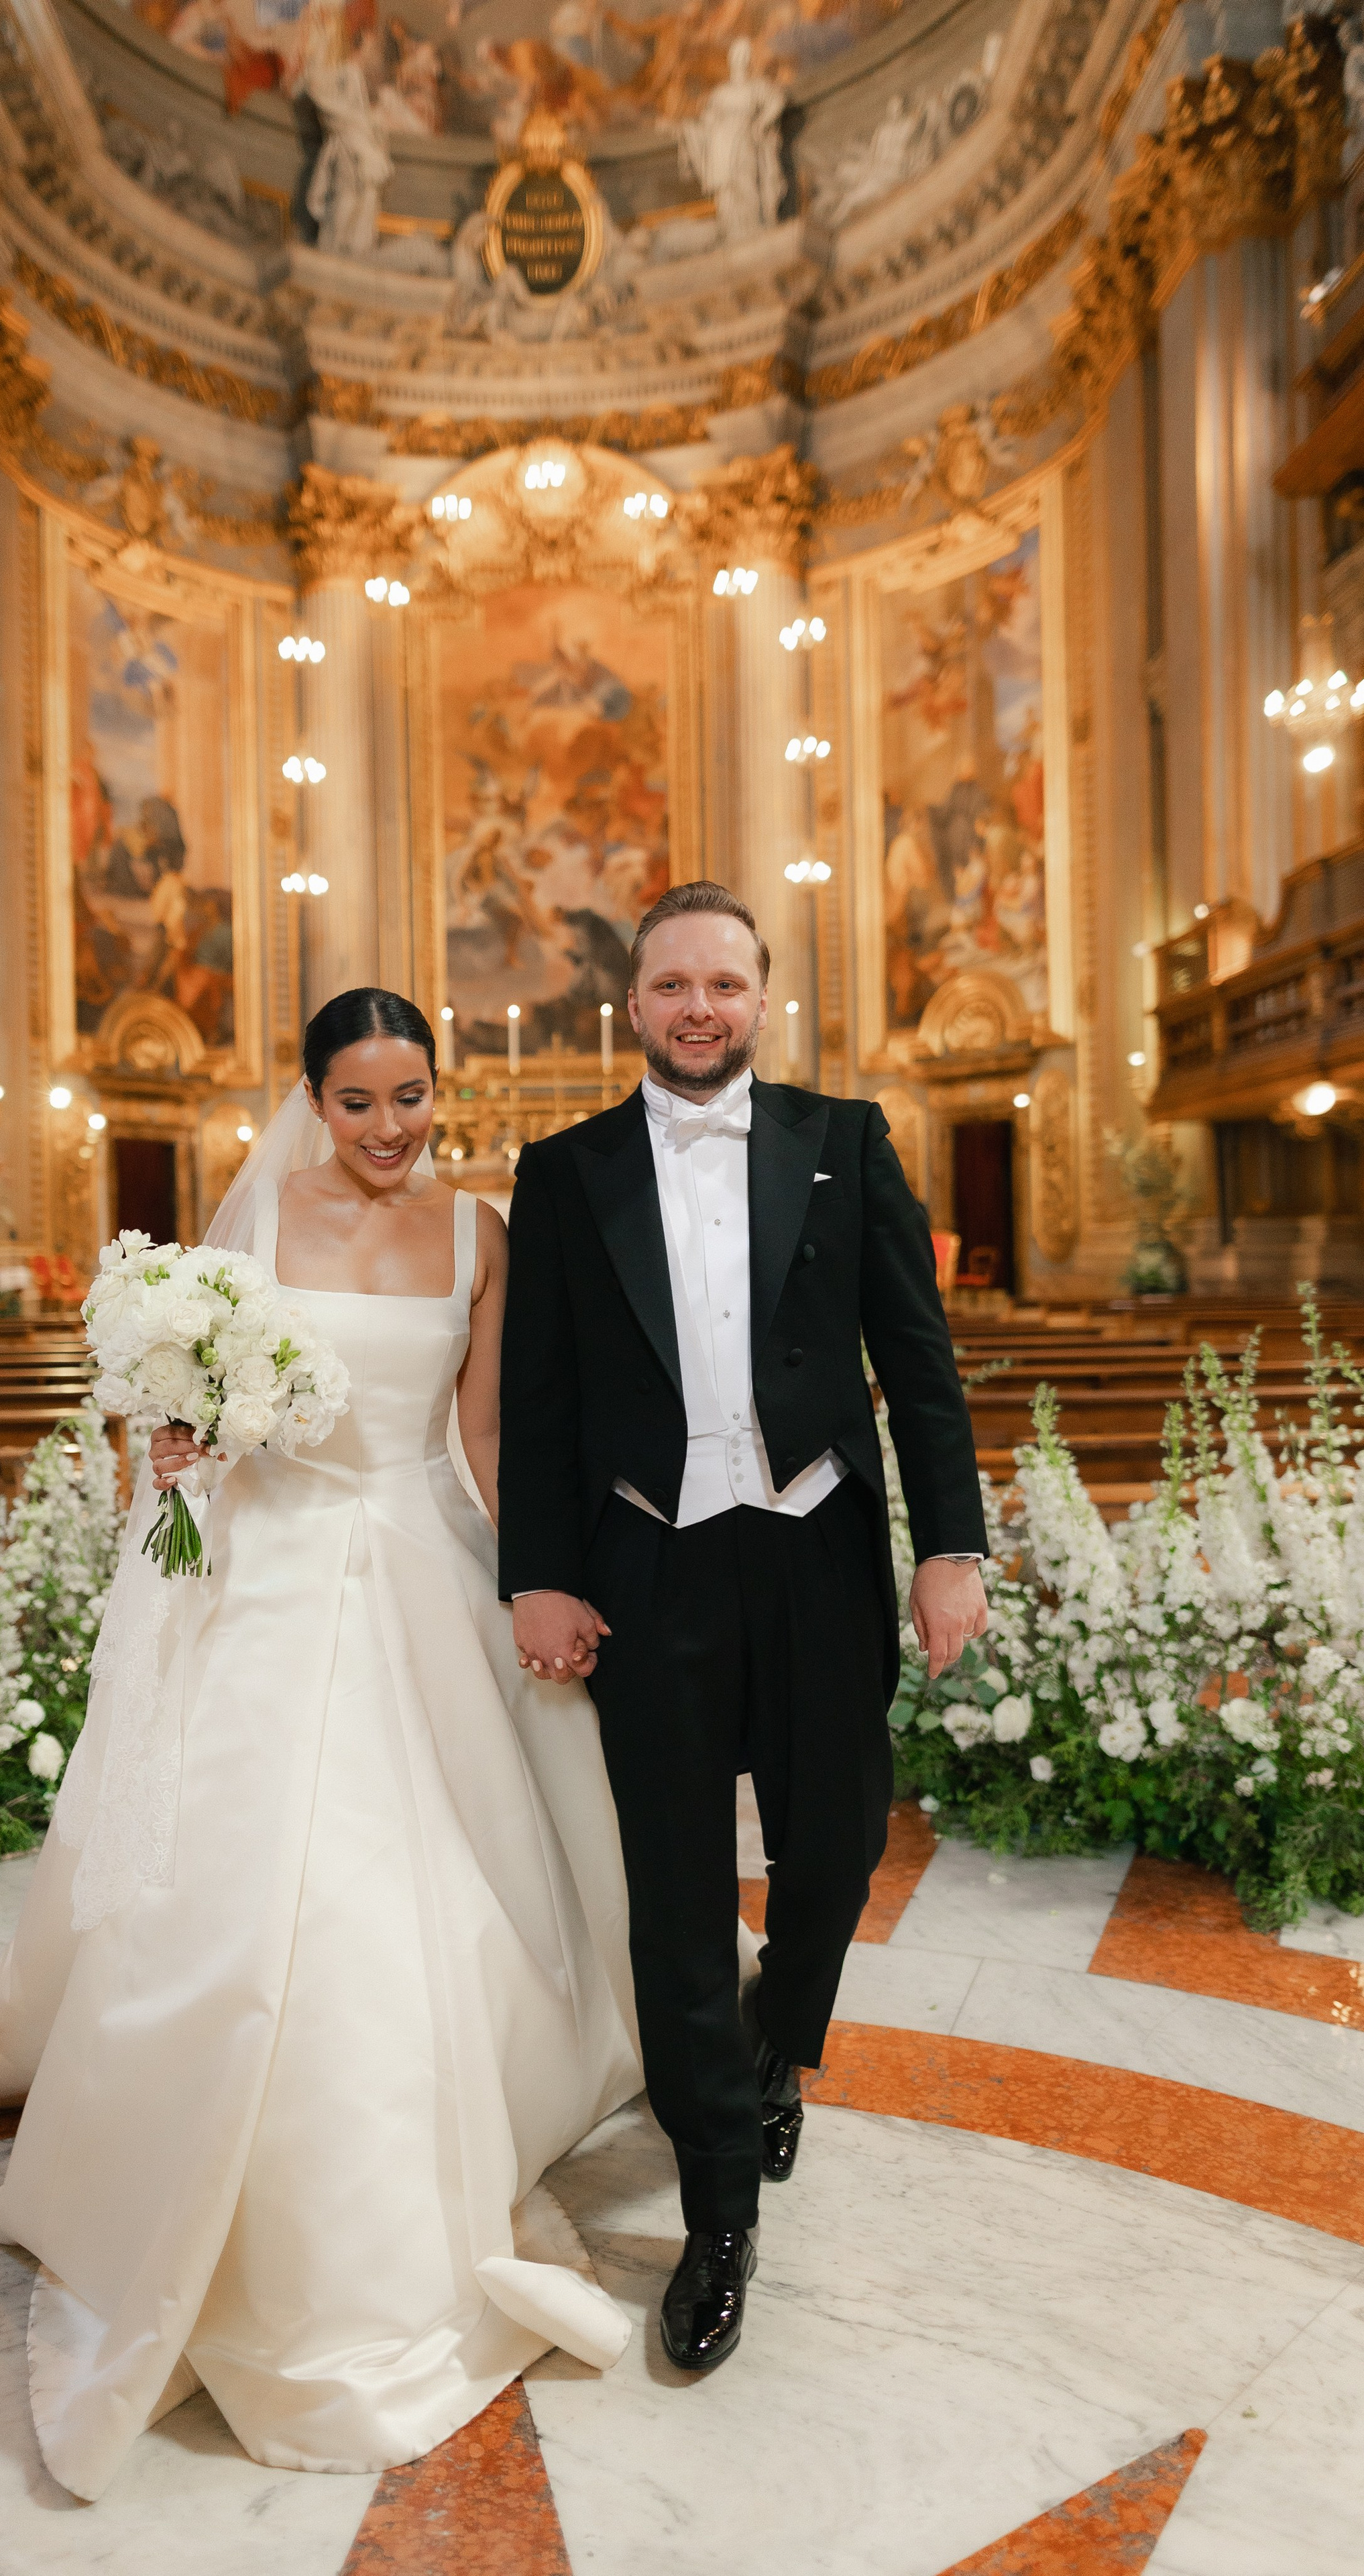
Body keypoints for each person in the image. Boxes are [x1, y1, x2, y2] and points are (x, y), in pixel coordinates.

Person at [0, 988, 640, 2496]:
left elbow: (478, 1438)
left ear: (443, 1090)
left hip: (422, 1564)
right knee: (264, 1882)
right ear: (311, 1098)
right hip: (275, 1577)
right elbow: (192, 1422)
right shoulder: (240, 1238)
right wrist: (174, 1454)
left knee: (452, 1856)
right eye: (359, 1101)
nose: (389, 1129)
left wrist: (531, 1587)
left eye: (411, 1096)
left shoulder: (478, 1237)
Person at [498, 881, 988, 2375]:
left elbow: (916, 1358)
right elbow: (541, 1395)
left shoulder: (843, 1144)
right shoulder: (564, 1168)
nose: (696, 1007)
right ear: (631, 1007)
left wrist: (949, 1543)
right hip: (647, 1565)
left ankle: (782, 2041)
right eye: (669, 987)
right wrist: (537, 1570)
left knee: (835, 1848)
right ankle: (718, 2214)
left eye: (723, 982)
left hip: (818, 1555)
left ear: (761, 998)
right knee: (672, 1896)